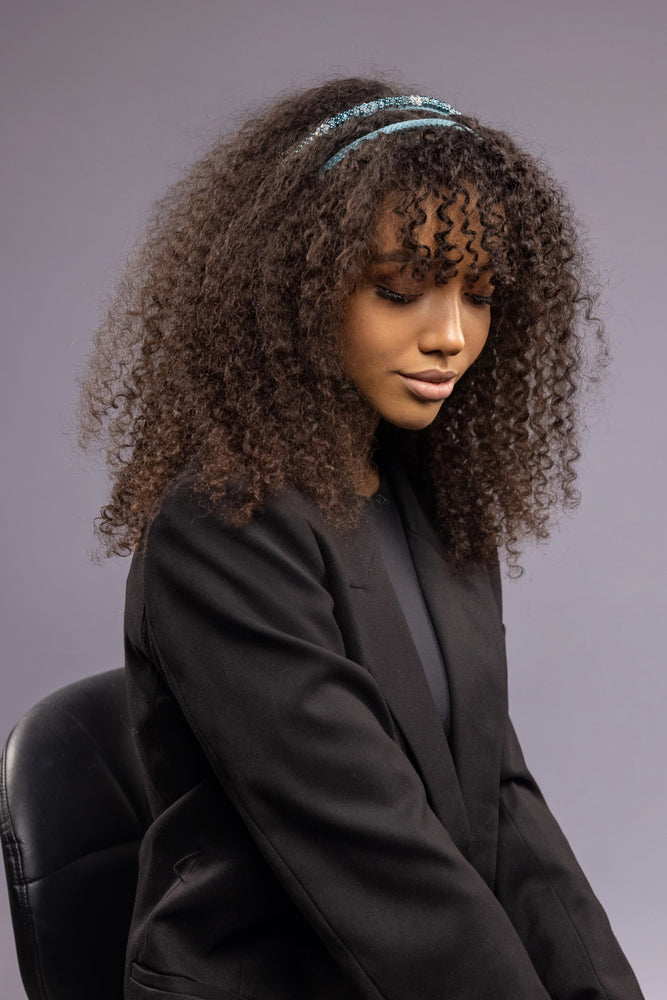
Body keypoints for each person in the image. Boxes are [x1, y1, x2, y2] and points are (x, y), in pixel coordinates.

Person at [79, 76, 645, 1000]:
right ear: (296, 288)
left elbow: (503, 809)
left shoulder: (436, 504)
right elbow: (376, 856)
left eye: (479, 294)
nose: (452, 336)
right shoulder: (222, 526)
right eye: (401, 290)